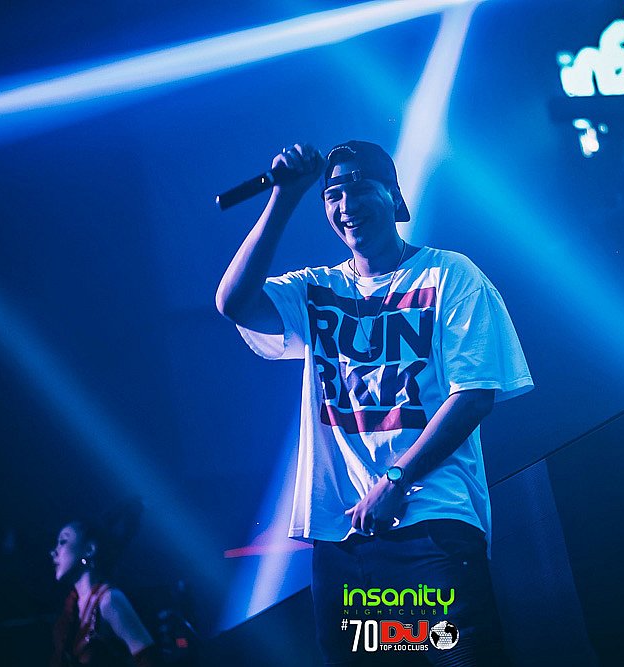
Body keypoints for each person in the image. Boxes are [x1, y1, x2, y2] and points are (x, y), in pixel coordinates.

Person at [216, 140, 533, 664]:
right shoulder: (316, 289)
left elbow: (474, 396)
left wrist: (396, 481)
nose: (346, 204)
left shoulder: (449, 274)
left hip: (430, 524)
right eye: (333, 194)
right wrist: (285, 196)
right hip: (343, 541)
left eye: (359, 186)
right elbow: (233, 302)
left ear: (395, 196)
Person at [49, 498, 159, 666]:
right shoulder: (72, 608)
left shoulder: (110, 600)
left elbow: (149, 660)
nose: (53, 552)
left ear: (89, 549)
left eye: (63, 541)